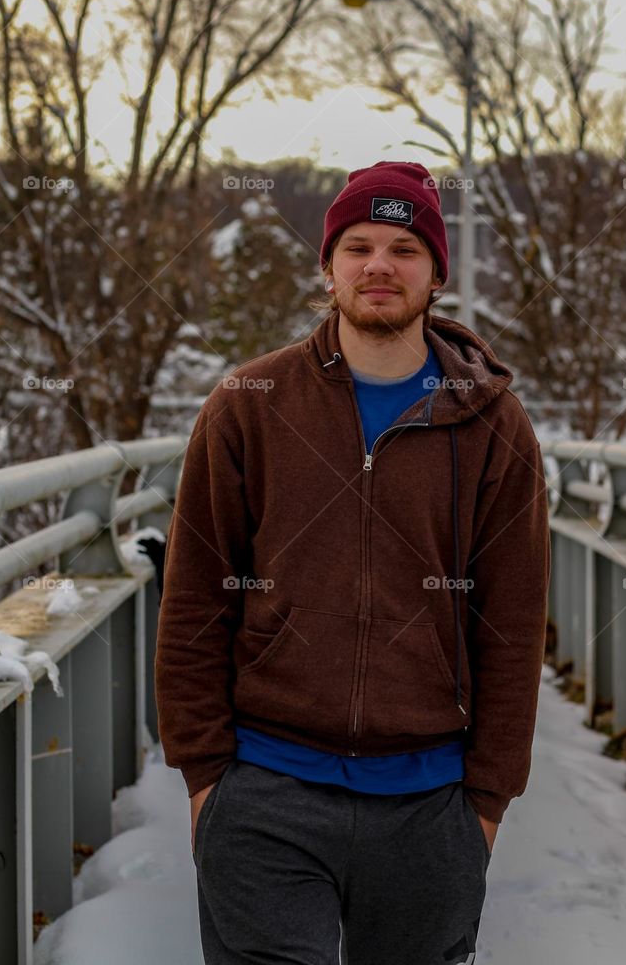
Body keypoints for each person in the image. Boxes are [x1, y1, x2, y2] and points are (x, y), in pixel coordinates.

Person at [155, 159, 551, 965]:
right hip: (266, 792)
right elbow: (194, 599)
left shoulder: (493, 425)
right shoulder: (248, 405)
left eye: (404, 248)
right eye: (358, 246)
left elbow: (511, 624)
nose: (379, 265)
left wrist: (486, 800)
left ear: (436, 272)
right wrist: (205, 777)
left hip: (430, 804)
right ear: (327, 267)